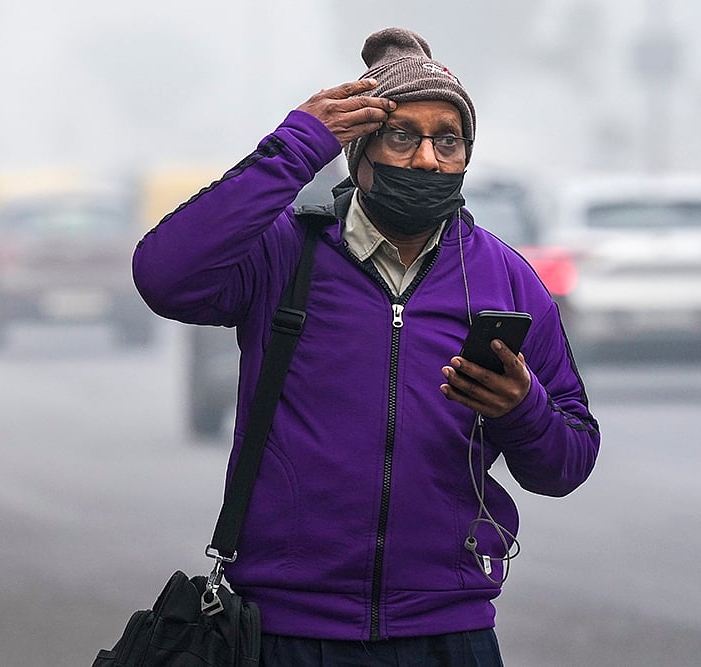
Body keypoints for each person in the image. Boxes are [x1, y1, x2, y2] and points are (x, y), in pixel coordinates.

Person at [133, 26, 600, 667]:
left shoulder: (506, 279)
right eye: (403, 136)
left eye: (449, 140)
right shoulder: (285, 254)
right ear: (358, 153)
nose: (428, 159)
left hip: (448, 632)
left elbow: (569, 460)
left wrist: (523, 411)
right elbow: (164, 276)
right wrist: (298, 144)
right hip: (285, 631)